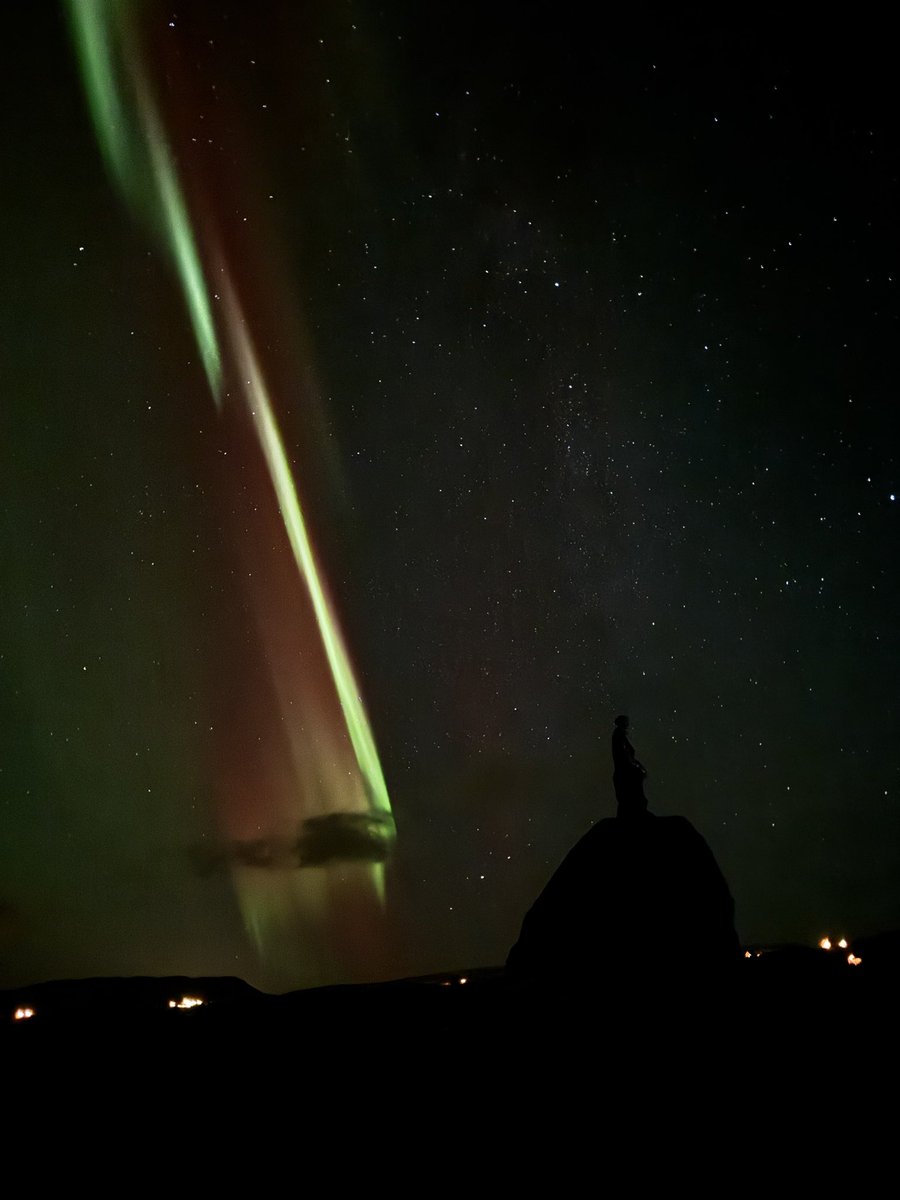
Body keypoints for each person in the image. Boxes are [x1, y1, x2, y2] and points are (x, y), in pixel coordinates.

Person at [612, 715, 647, 815]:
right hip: (625, 770)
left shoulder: (619, 735)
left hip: (625, 769)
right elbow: (624, 753)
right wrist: (635, 766)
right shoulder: (619, 735)